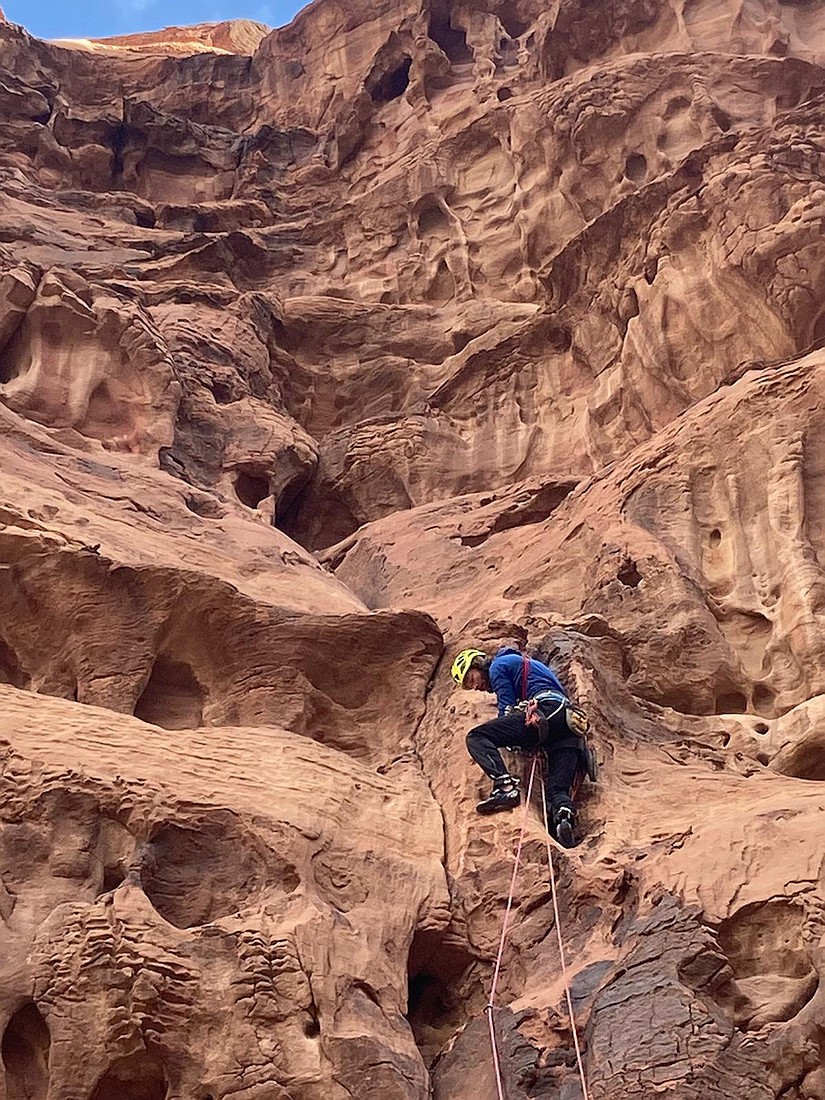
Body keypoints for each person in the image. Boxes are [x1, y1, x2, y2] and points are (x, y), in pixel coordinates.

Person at [451, 645, 584, 847]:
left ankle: (505, 787)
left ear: (478, 665)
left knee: (477, 737)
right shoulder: (527, 665)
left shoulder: (498, 666)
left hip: (544, 713)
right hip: (568, 724)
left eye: (471, 679)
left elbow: (507, 708)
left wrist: (514, 739)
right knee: (557, 790)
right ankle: (563, 818)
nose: (476, 687)